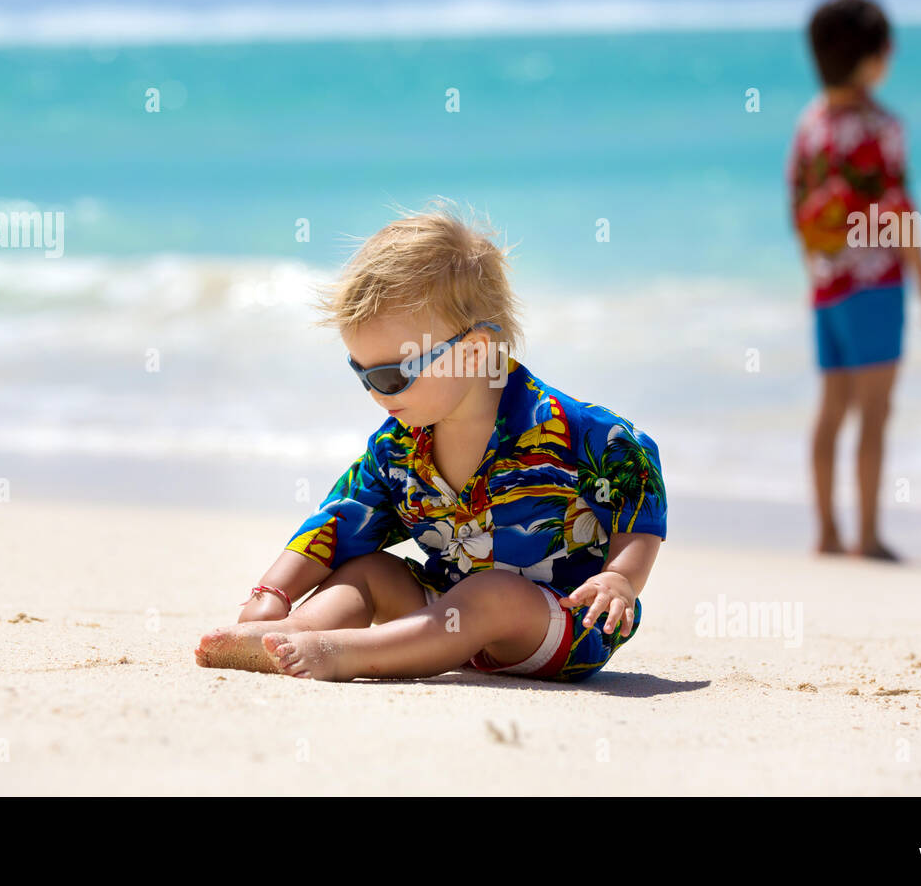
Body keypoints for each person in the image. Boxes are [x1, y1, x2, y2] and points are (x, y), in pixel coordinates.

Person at [195, 201, 667, 681]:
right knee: (371, 572)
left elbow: (638, 487)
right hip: (442, 613)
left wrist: (620, 579)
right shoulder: (399, 448)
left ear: (474, 351)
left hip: (559, 624)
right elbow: (338, 521)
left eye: (393, 376)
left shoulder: (576, 431)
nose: (378, 395)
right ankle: (294, 631)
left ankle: (348, 652)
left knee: (492, 593)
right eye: (362, 374)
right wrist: (271, 593)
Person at [787, 0, 921, 561]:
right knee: (874, 414)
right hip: (875, 287)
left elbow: (796, 204)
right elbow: (900, 210)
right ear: (871, 57)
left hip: (827, 287)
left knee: (831, 410)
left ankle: (826, 532)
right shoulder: (881, 125)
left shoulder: (809, 124)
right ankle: (867, 536)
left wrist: (817, 272)